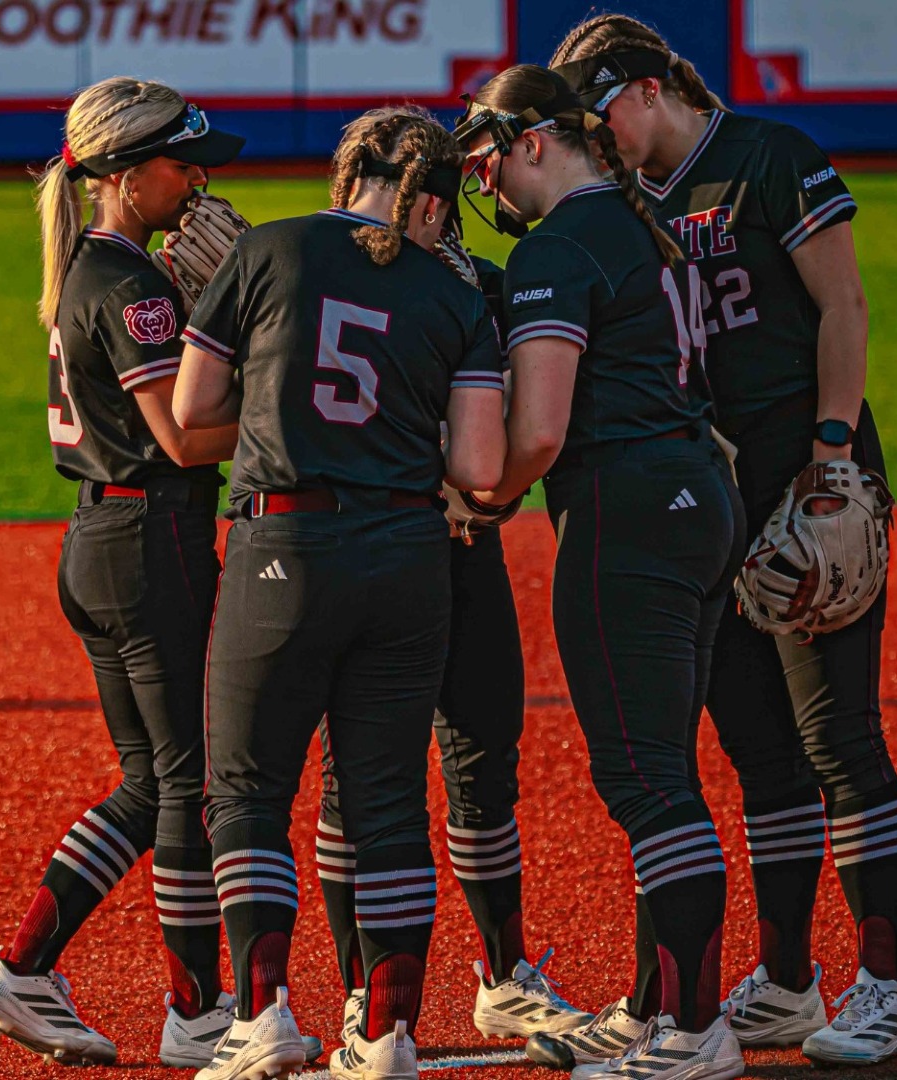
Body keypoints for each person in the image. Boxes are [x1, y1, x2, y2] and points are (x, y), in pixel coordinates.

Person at [551, 17, 897, 1068]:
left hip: (806, 473)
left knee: (837, 733)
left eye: (604, 108)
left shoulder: (769, 156)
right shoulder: (624, 206)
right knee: (757, 746)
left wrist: (834, 452)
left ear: (657, 84)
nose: (599, 133)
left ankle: (888, 987)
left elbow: (841, 303)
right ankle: (789, 985)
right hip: (704, 493)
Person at [174, 106, 506, 1080]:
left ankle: (264, 1014)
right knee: (390, 803)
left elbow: (193, 410)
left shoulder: (271, 250)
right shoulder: (454, 298)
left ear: (348, 169)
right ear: (435, 202)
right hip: (410, 551)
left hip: (287, 539)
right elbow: (481, 466)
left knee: (247, 790)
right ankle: (390, 1034)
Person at [455, 65, 746, 1079]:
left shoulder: (558, 247)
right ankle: (655, 1007)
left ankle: (695, 1033)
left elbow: (536, 432)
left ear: (536, 143)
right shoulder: (634, 225)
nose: (484, 189)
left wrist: (478, 500)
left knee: (645, 779)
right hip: (696, 495)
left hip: (625, 509)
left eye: (489, 163)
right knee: (665, 765)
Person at [0, 75, 250, 1069]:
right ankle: (198, 1011)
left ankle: (25, 968)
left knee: (148, 782)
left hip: (103, 541)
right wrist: (284, 401)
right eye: (183, 162)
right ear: (124, 174)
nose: (201, 181)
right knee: (187, 782)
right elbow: (183, 438)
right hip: (148, 541)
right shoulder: (129, 286)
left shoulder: (99, 266)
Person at [310, 122, 588, 1047]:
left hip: (462, 552)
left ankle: (504, 975)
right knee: (361, 775)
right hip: (368, 548)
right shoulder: (312, 272)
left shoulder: (486, 287)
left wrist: (484, 495)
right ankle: (360, 990)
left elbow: (530, 411)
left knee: (483, 755)